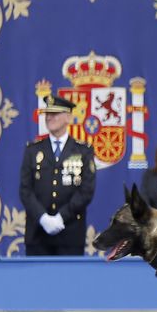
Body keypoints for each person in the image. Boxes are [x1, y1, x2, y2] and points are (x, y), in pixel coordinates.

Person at [18, 94, 97, 255]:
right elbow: (25, 190)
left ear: (68, 117)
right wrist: (43, 218)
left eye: (55, 114)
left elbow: (86, 190)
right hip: (37, 233)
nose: (49, 118)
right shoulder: (33, 150)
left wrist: (61, 217)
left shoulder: (83, 150)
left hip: (70, 232)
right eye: (48, 114)